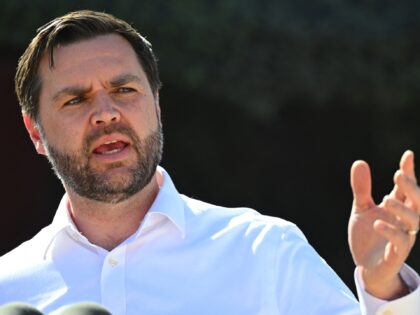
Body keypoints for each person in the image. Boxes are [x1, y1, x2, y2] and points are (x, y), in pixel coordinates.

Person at [0, 10, 418, 315]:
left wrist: (386, 292)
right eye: (76, 99)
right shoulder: (7, 288)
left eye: (124, 90)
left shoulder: (265, 251)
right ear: (35, 131)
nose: (107, 113)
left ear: (157, 106)